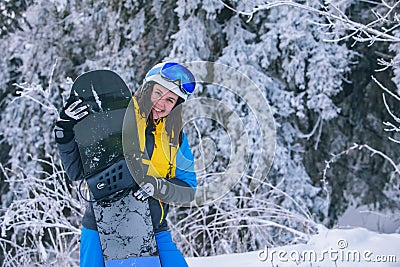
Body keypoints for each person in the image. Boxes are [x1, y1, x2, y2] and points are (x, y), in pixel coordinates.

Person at [54, 62, 197, 267]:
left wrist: (159, 187)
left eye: (170, 99)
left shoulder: (175, 138)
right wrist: (64, 131)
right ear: (147, 89)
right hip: (102, 227)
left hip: (152, 227)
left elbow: (188, 188)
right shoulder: (115, 119)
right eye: (158, 92)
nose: (161, 103)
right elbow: (76, 171)